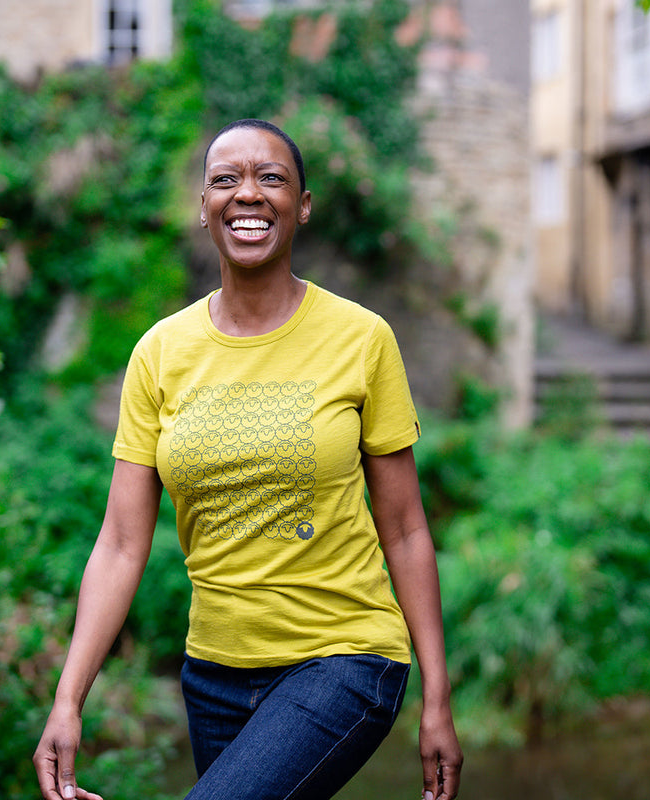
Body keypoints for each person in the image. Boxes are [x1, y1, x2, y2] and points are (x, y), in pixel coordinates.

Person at [33, 118, 463, 800]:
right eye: (225, 180)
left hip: (344, 658)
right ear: (204, 208)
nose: (248, 195)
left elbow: (406, 528)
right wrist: (67, 699)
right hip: (213, 674)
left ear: (304, 205)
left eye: (271, 178)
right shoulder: (160, 353)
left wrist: (437, 697)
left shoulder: (361, 339)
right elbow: (119, 543)